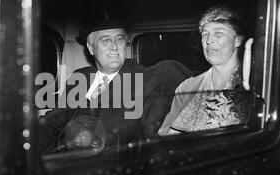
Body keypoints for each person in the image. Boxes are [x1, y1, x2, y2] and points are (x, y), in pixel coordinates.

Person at [39, 19, 191, 154]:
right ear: (91, 48)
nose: (114, 47)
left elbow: (156, 137)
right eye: (106, 40)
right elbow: (54, 121)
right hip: (72, 161)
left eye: (119, 39)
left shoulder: (144, 80)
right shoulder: (79, 77)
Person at [158, 6, 252, 136]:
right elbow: (165, 137)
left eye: (218, 34)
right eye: (205, 35)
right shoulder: (187, 88)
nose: (209, 41)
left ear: (238, 40)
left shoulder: (256, 83)